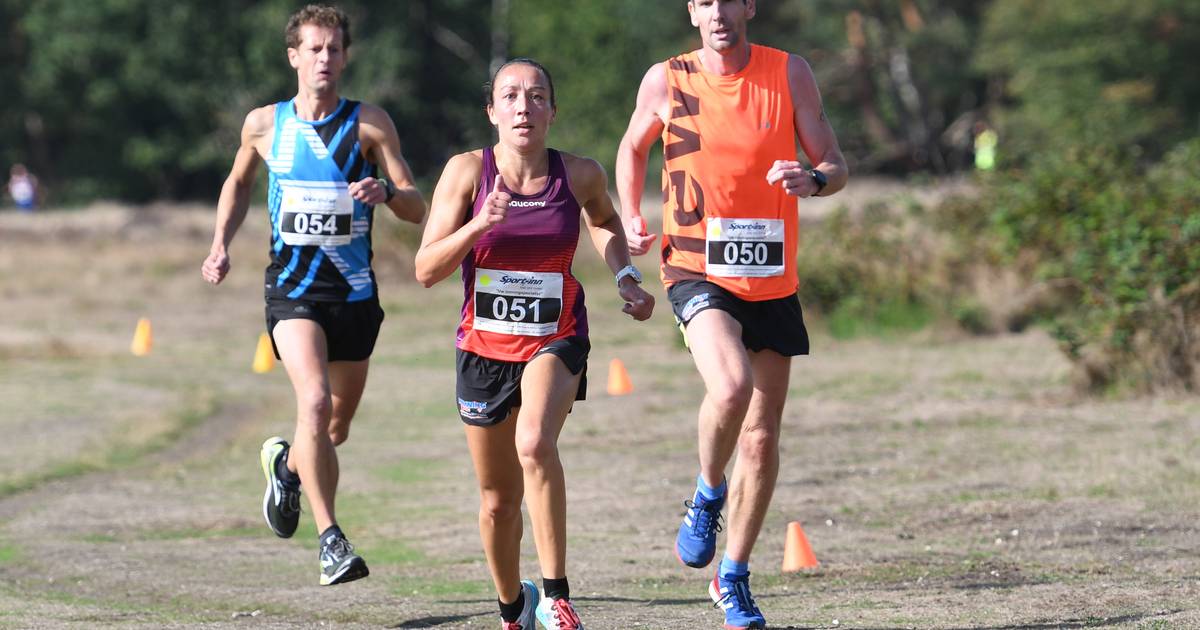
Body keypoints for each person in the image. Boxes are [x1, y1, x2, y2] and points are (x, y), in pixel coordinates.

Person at [615, 1, 848, 628]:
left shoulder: (790, 72)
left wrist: (813, 180)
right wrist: (633, 213)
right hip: (696, 265)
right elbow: (631, 148)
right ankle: (708, 491)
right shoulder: (668, 79)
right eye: (704, 0)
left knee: (764, 434)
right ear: (693, 11)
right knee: (732, 386)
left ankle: (734, 575)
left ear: (749, 6)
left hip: (772, 276)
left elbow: (835, 163)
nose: (719, 11)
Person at [415, 58, 654, 630]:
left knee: (534, 443)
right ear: (492, 112)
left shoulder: (580, 174)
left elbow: (602, 221)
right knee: (498, 501)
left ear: (552, 109)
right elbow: (425, 269)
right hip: (483, 349)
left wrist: (625, 276)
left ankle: (556, 593)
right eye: (511, 97)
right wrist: (478, 226)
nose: (524, 106)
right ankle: (511, 607)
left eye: (537, 96)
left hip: (556, 336)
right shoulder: (466, 173)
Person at [199, 4, 425, 586]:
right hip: (292, 292)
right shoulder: (264, 125)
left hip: (353, 294)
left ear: (345, 57)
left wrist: (386, 194)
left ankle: (287, 467)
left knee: (332, 429)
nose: (325, 58)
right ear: (294, 56)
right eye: (314, 48)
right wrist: (220, 244)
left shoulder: (370, 124)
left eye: (334, 49)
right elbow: (238, 181)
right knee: (316, 403)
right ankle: (331, 541)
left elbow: (415, 204)